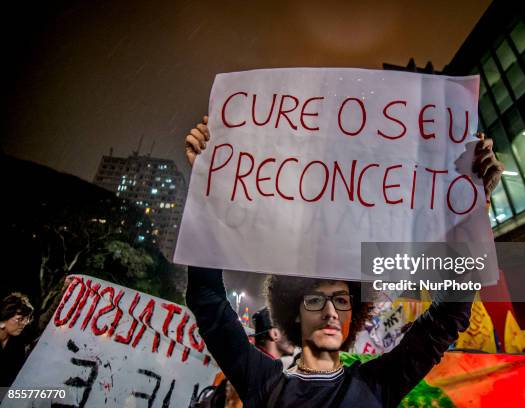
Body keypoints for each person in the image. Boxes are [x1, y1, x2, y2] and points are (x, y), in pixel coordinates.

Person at [185, 115, 504, 407]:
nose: (329, 312)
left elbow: (451, 311)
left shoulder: (380, 383)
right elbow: (207, 297)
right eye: (314, 300)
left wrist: (472, 212)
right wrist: (206, 184)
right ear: (294, 313)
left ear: (355, 312)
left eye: (341, 300)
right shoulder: (262, 382)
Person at [0, 292, 34, 387]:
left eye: (26, 319)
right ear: (2, 321)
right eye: (19, 319)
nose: (24, 323)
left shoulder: (18, 341)